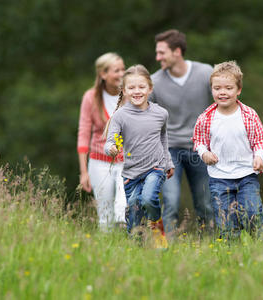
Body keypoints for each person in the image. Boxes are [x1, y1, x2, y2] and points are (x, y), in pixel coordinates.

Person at [193, 61, 263, 239]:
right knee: (226, 222)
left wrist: (259, 156)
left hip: (246, 174)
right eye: (217, 88)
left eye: (228, 88)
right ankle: (232, 256)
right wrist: (204, 153)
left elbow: (260, 141)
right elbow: (199, 141)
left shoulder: (249, 115)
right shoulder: (206, 117)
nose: (222, 92)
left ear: (238, 90)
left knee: (252, 215)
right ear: (212, 90)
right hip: (219, 178)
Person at [150, 29, 214, 234]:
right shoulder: (155, 83)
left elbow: (224, 103)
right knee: (170, 201)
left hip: (201, 149)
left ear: (177, 51)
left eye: (162, 52)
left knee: (206, 203)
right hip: (169, 151)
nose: (157, 57)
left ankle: (214, 245)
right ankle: (167, 251)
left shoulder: (206, 73)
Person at [105, 64, 175, 249]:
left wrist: (168, 162)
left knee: (149, 197)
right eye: (132, 87)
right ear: (124, 90)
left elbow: (163, 138)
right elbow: (109, 142)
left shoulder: (161, 113)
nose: (137, 91)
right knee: (135, 208)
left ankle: (157, 229)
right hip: (131, 173)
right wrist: (111, 148)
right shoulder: (120, 116)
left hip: (155, 167)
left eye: (142, 87)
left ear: (150, 89)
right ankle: (135, 248)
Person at [77, 52, 127, 231]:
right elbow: (83, 133)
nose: (122, 74)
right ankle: (107, 252)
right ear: (103, 74)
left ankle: (128, 248)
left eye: (123, 69)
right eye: (116, 70)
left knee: (122, 211)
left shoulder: (131, 95)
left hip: (126, 163)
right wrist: (84, 172)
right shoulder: (91, 97)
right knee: (105, 216)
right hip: (99, 162)